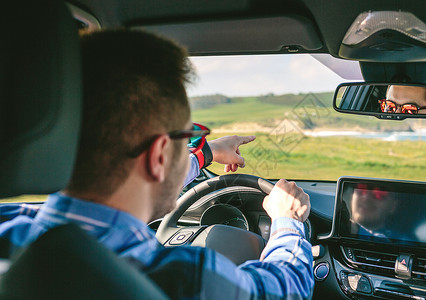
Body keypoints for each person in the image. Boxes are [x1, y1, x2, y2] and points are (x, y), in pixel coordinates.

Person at [0, 30, 313, 299]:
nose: (193, 143)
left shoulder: (9, 225)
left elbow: (153, 169)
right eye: (188, 136)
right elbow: (285, 288)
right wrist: (288, 222)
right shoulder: (182, 279)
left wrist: (206, 153)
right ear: (159, 156)